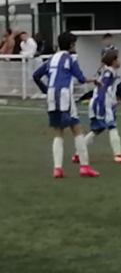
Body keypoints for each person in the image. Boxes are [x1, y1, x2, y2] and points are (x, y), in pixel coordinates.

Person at [32, 31, 98, 179]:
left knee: (58, 132)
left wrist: (46, 90)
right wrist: (94, 80)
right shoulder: (70, 59)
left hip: (51, 96)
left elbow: (35, 75)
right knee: (77, 130)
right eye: (74, 44)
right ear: (71, 45)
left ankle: (57, 169)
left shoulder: (51, 59)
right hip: (64, 96)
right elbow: (80, 79)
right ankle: (84, 166)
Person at [82, 50, 121, 164]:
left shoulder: (108, 71)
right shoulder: (109, 73)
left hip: (102, 102)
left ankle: (78, 153)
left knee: (97, 129)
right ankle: (118, 155)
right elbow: (103, 89)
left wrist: (113, 100)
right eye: (117, 59)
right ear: (113, 61)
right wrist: (103, 105)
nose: (120, 61)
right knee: (112, 127)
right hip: (102, 103)